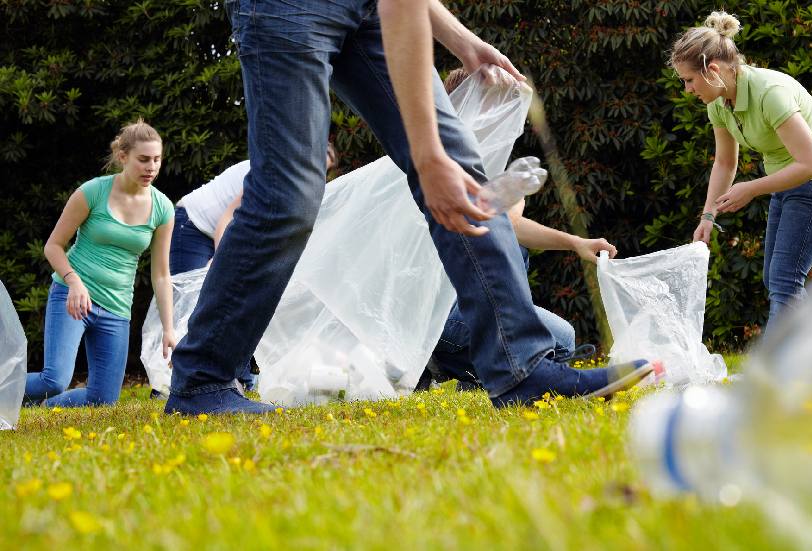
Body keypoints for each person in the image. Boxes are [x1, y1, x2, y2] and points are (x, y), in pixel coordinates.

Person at [164, 0, 652, 414]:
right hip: (285, 9)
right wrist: (426, 157)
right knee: (288, 198)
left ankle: (520, 369)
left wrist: (461, 41)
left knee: (465, 171)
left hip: (372, 8)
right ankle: (203, 380)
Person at [421, 68, 618, 390]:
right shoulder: (445, 162)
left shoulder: (468, 157)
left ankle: (473, 370)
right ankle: (443, 360)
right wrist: (514, 194)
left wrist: (575, 242)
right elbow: (503, 223)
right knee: (560, 341)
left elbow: (512, 226)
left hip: (452, 306)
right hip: (436, 315)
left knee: (561, 335)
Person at [671, 11, 812, 329]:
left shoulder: (770, 93)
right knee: (776, 278)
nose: (687, 89)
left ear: (712, 70)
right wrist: (708, 216)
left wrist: (751, 188)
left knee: (784, 280)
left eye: (688, 80)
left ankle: (780, 373)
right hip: (787, 181)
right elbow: (725, 163)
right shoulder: (719, 102)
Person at [24, 119, 176, 407]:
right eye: (143, 159)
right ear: (123, 157)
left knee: (103, 400)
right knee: (53, 380)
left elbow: (161, 275)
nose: (151, 167)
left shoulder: (162, 208)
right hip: (72, 297)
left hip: (117, 308)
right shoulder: (92, 192)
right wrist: (73, 281)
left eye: (157, 159)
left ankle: (44, 406)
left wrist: (169, 329)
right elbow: (53, 246)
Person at [164, 144, 337, 393]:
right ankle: (176, 380)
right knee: (191, 305)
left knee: (237, 302)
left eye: (326, 169)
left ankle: (238, 378)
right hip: (193, 224)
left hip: (221, 230)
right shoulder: (271, 168)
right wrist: (222, 259)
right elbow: (229, 217)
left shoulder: (298, 184)